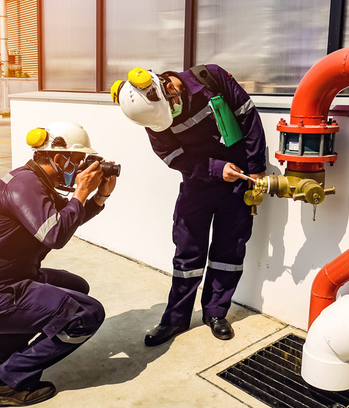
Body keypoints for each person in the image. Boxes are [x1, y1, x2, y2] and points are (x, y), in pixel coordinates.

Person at [0, 121, 117, 406]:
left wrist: (100, 195)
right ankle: (7, 382)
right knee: (86, 314)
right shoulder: (25, 185)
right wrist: (81, 193)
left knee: (76, 287)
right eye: (79, 160)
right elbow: (55, 235)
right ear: (60, 159)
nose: (83, 167)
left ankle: (1, 346)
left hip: (2, 280)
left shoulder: (37, 182)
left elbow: (69, 219)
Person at [111, 64, 266, 347]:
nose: (171, 117)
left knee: (229, 251)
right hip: (198, 183)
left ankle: (216, 313)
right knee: (187, 253)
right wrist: (216, 169)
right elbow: (173, 158)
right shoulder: (152, 117)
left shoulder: (211, 78)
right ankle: (175, 319)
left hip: (239, 181)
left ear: (168, 88)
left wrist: (255, 169)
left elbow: (248, 117)